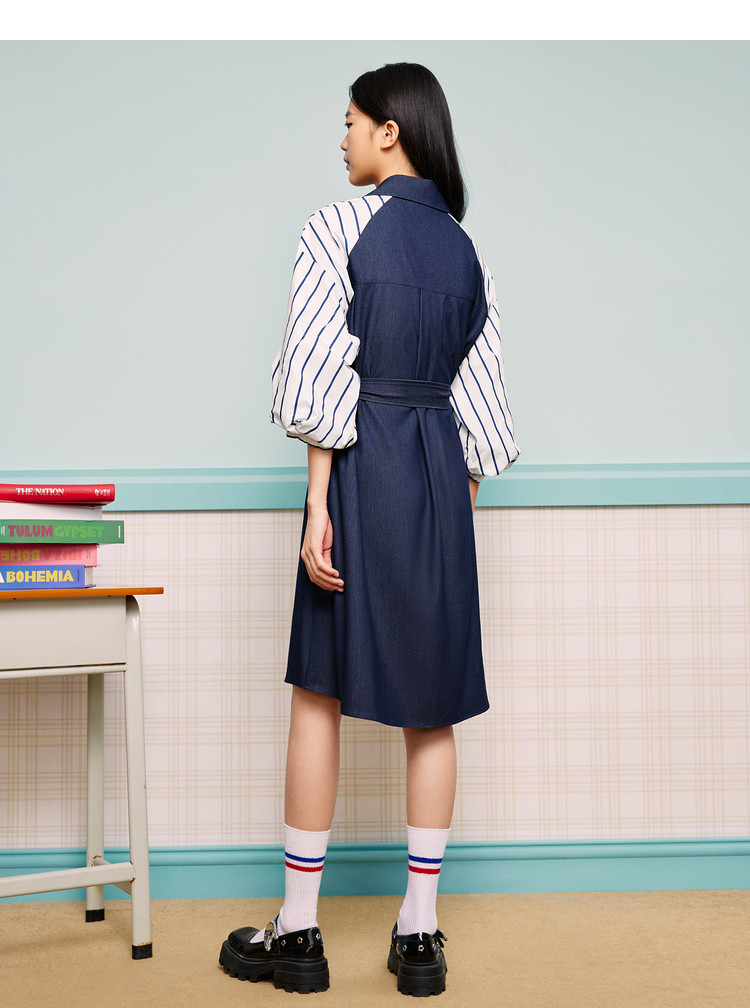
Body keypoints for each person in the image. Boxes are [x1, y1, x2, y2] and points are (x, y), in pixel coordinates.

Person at [219, 62, 519, 997]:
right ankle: (420, 934)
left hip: (359, 473)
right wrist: (448, 525)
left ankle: (299, 930)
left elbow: (321, 380)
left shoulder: (335, 227)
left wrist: (320, 503)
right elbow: (483, 412)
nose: (341, 136)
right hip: (438, 482)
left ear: (390, 130)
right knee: (433, 710)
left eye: (350, 120)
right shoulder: (467, 253)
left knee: (319, 692)